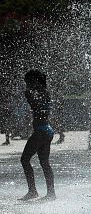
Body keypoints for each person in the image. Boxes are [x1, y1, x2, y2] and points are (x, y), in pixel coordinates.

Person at [19, 70, 56, 201]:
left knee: (24, 159)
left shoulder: (42, 92)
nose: (27, 84)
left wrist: (29, 97)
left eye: (28, 81)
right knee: (44, 162)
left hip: (41, 132)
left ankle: (33, 191)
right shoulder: (44, 92)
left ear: (34, 80)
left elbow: (38, 108)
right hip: (46, 130)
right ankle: (51, 193)